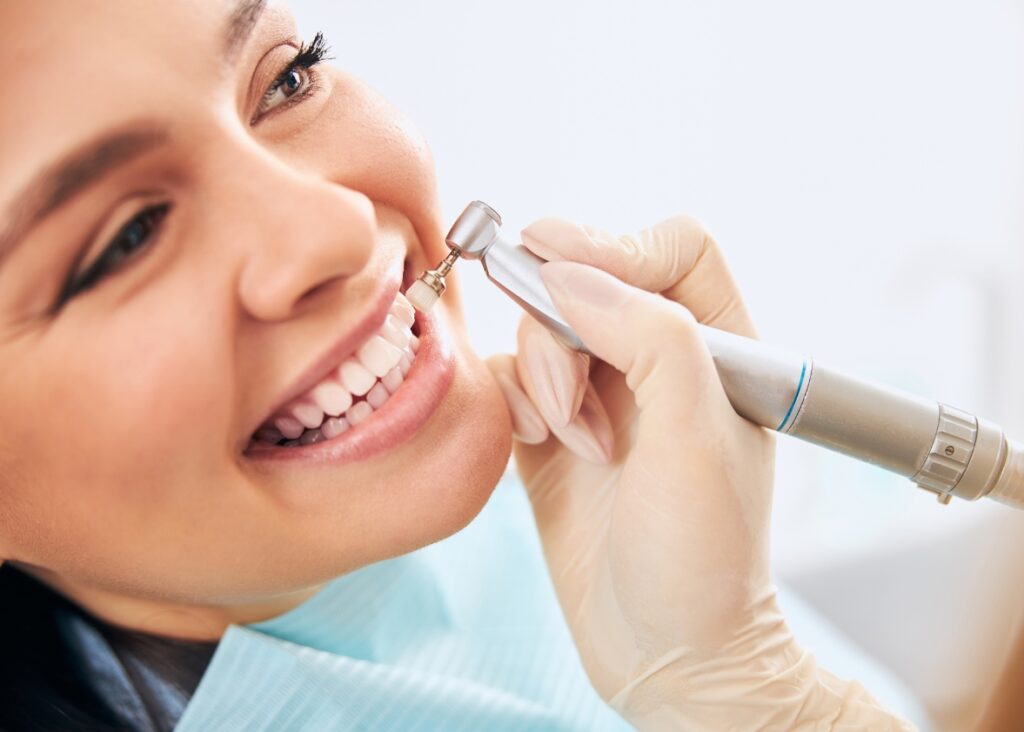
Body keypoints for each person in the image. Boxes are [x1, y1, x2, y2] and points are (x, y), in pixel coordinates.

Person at [0, 1, 919, 729]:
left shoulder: (586, 497)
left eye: (287, 78)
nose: (340, 225)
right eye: (127, 239)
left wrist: (741, 685)